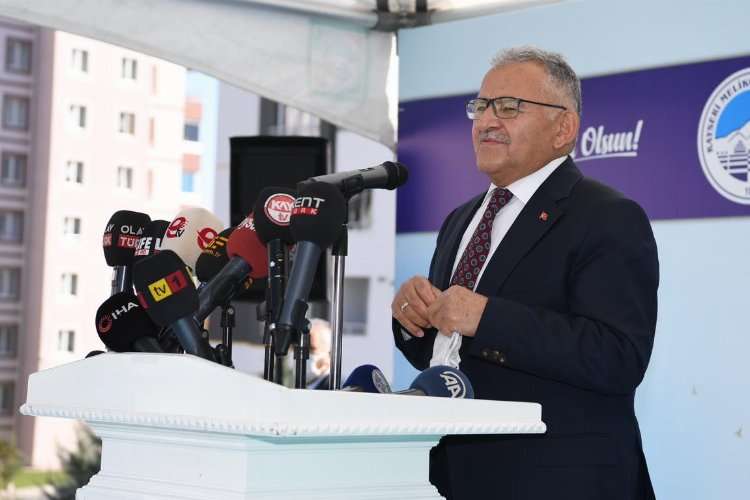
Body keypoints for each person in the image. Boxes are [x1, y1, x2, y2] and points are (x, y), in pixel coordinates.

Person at [391, 47, 658, 500]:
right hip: (451, 476)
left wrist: (485, 317)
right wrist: (412, 318)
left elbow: (618, 357)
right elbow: (442, 355)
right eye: (481, 106)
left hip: (556, 480)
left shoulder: (608, 216)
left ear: (564, 128)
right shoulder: (461, 219)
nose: (486, 121)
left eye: (509, 107)